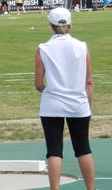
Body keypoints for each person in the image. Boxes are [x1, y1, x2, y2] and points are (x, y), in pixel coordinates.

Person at [34, 8, 94, 190]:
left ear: (50, 25)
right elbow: (88, 81)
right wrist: (88, 106)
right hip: (78, 104)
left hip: (52, 104)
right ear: (70, 24)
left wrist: (49, 90)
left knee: (54, 150)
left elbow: (38, 83)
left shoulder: (43, 48)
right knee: (83, 149)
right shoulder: (82, 46)